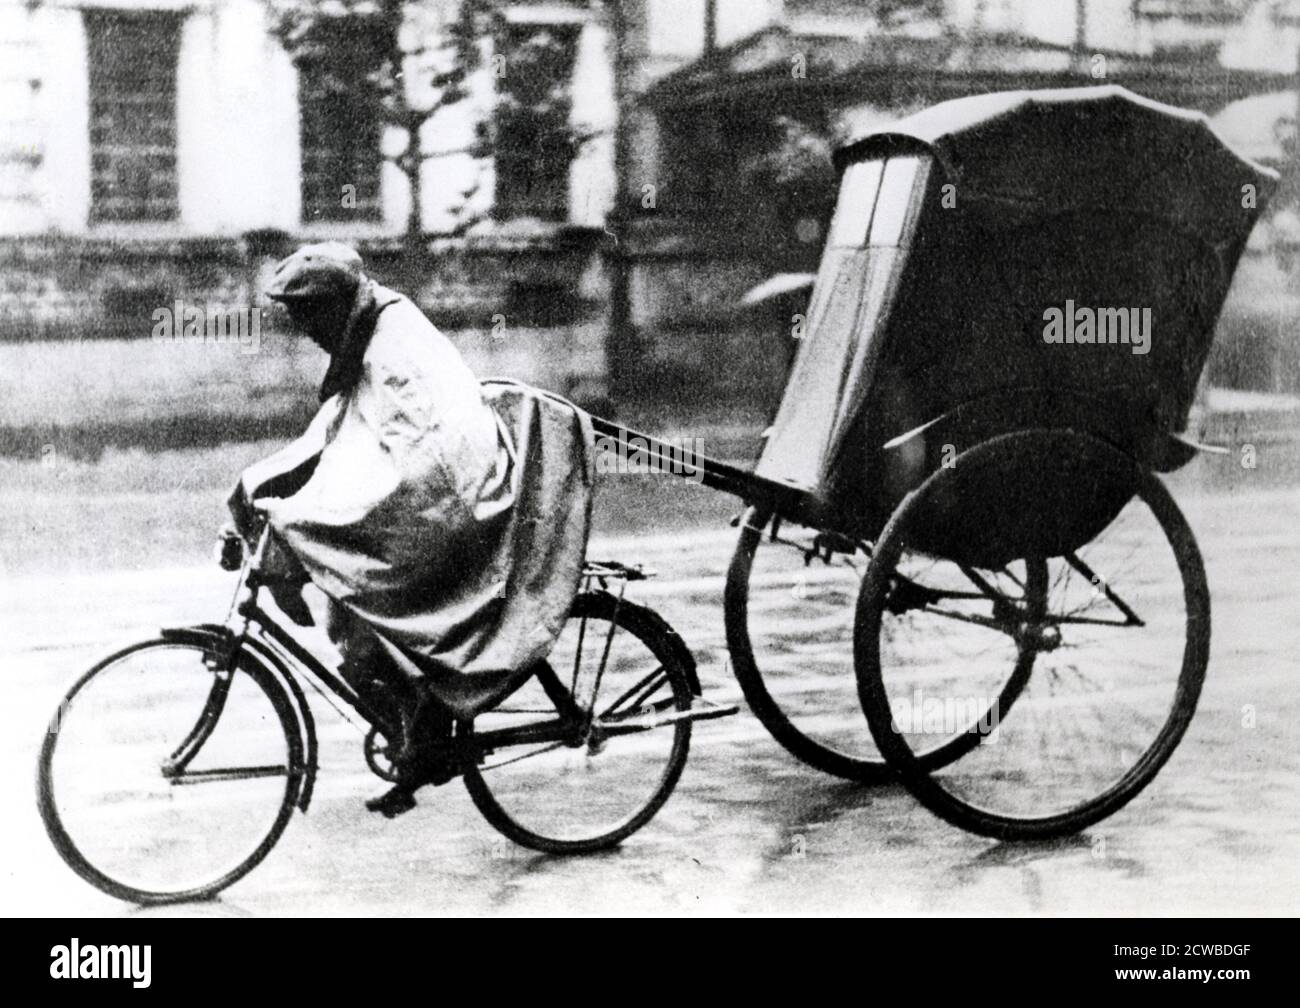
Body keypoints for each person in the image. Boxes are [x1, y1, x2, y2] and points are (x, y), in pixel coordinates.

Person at [227, 242, 594, 817]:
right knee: (348, 603)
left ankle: (424, 732)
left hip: (461, 504)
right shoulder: (369, 329)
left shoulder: (392, 352)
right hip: (436, 491)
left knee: (359, 573)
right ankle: (416, 726)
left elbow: (425, 467)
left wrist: (305, 520)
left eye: (308, 319)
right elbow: (335, 435)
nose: (307, 334)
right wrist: (260, 489)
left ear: (333, 308)